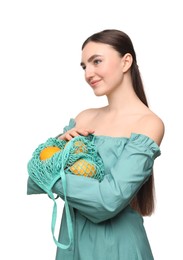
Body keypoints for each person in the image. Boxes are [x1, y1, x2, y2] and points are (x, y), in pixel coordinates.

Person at [27, 29, 165, 260]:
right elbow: (33, 180)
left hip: (119, 249)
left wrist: (52, 173)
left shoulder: (148, 123)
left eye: (96, 61)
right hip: (71, 247)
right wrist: (56, 148)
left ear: (126, 61)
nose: (88, 73)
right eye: (84, 66)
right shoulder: (84, 118)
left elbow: (107, 202)